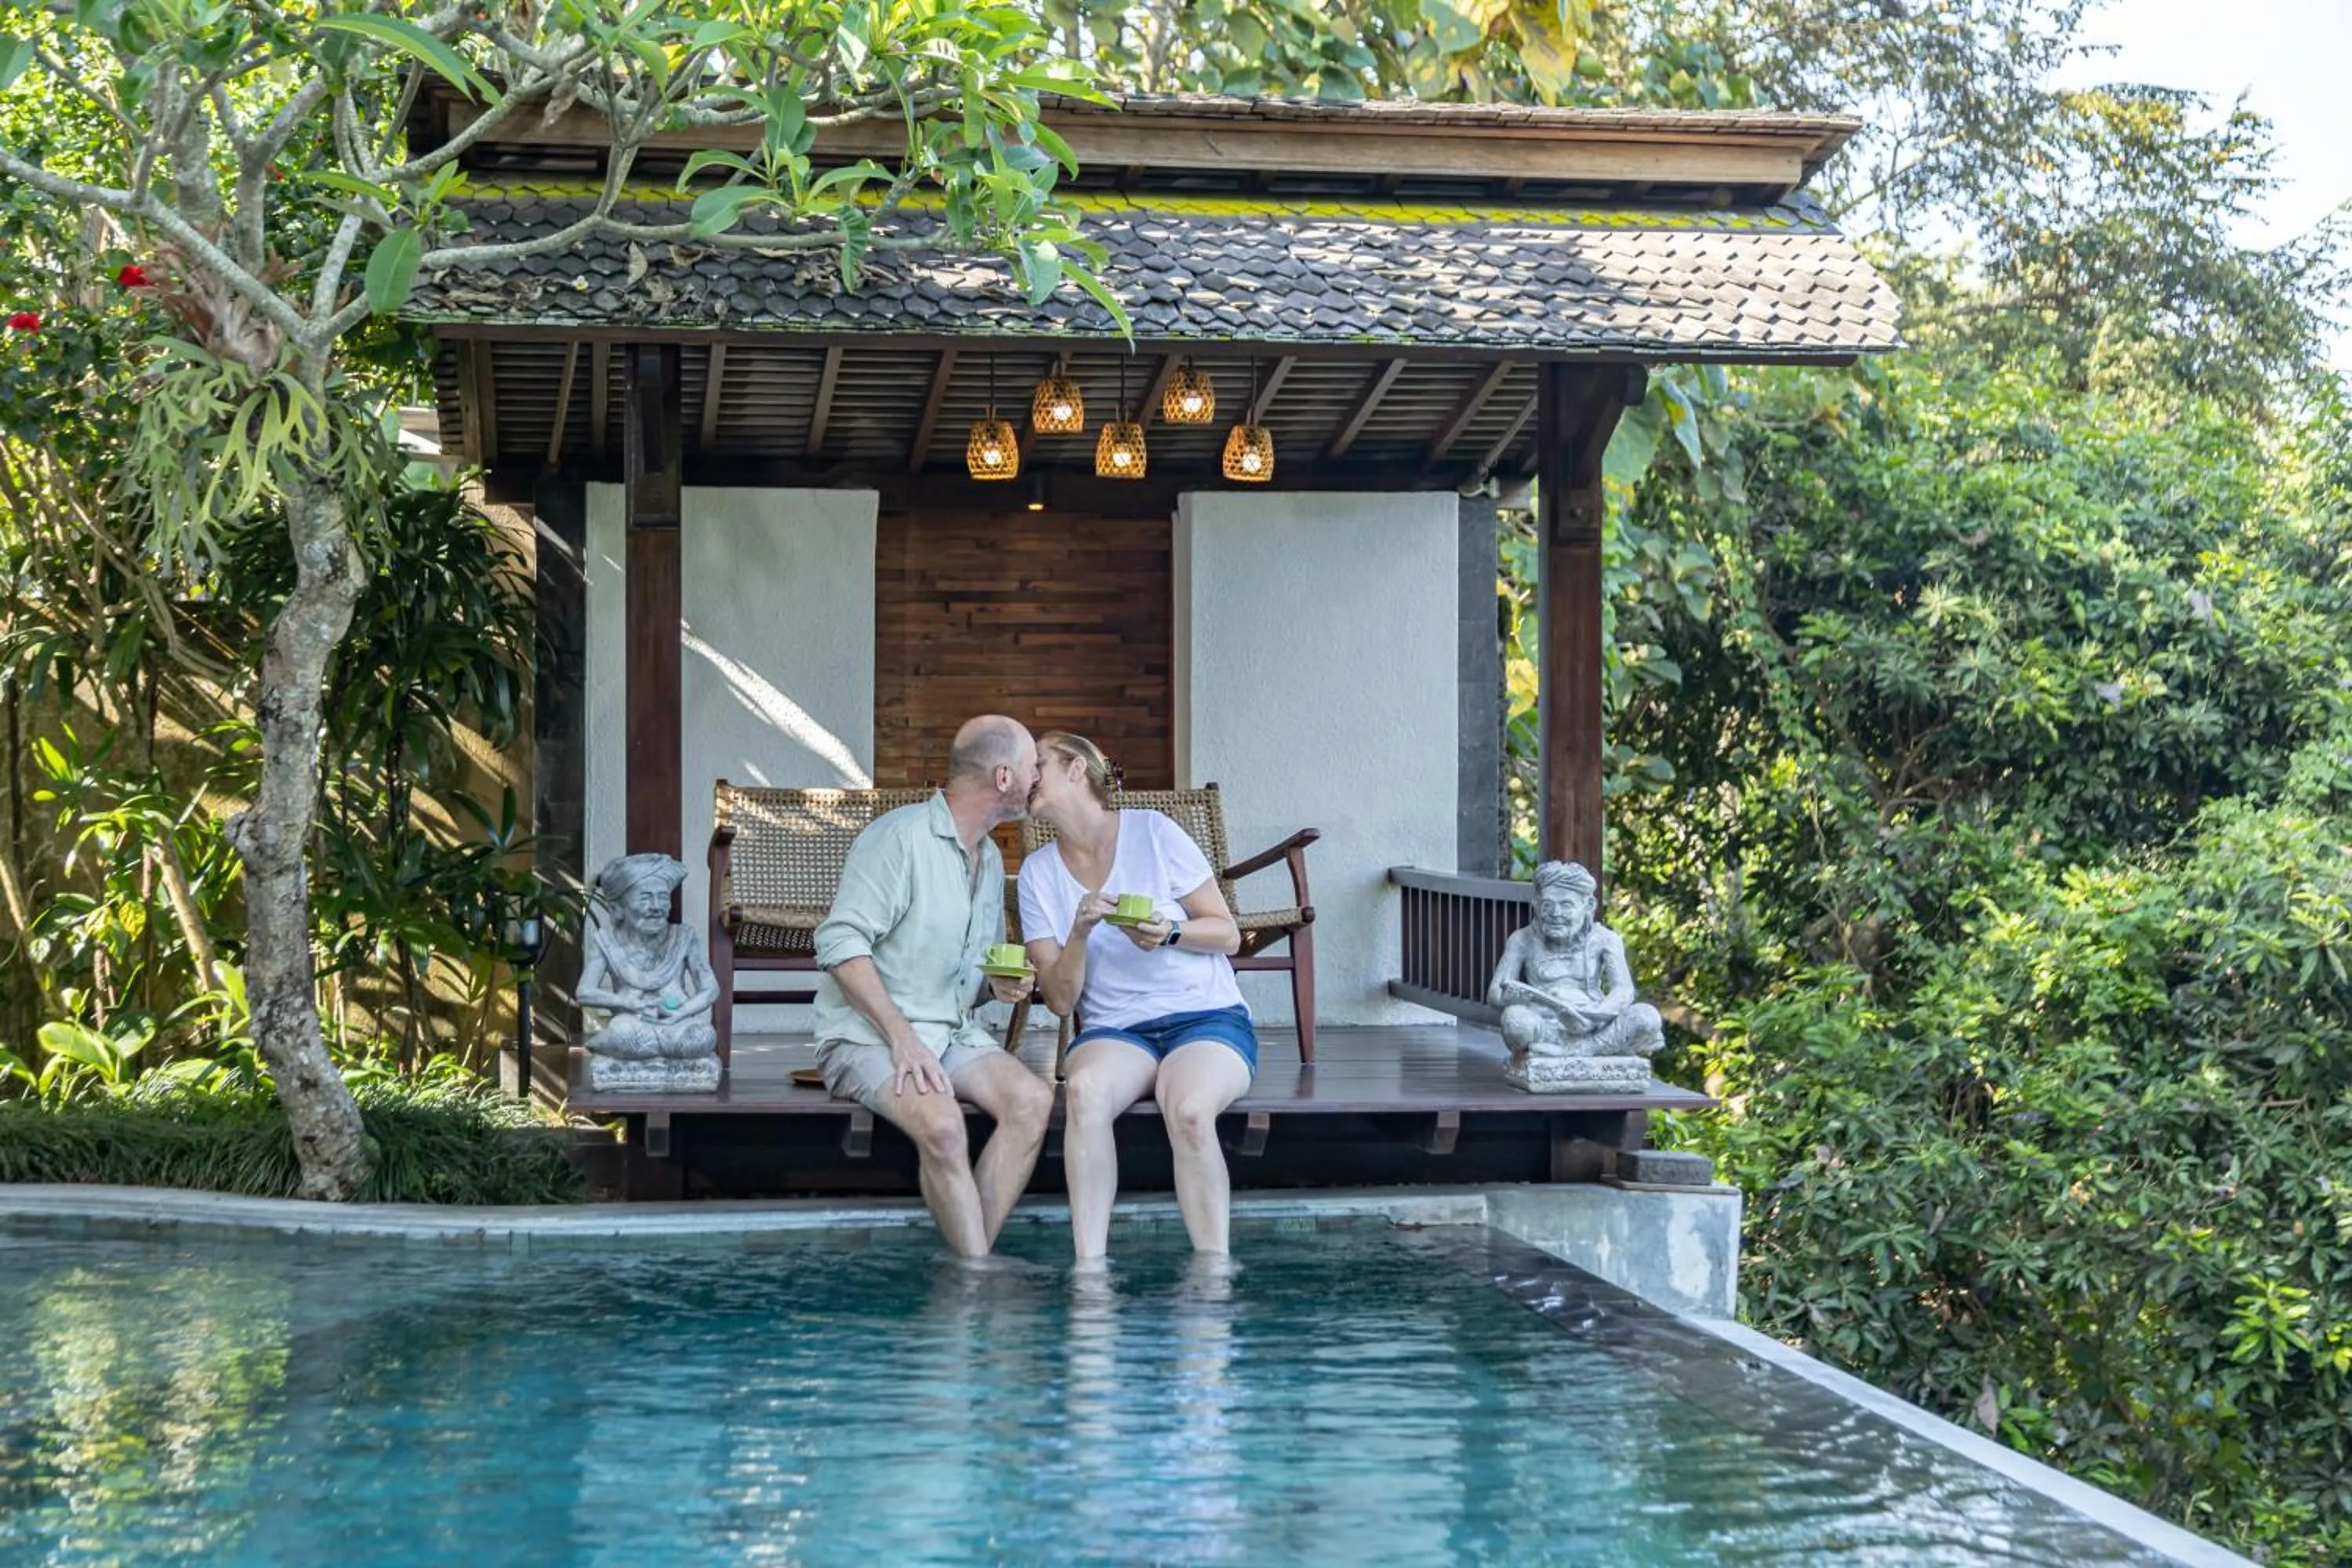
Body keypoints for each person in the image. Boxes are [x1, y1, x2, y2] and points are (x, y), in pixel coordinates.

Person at [811, 715, 1053, 1257]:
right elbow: (840, 946)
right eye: (1033, 764)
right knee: (944, 1128)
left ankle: (972, 1265)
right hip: (869, 1036)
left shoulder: (989, 858)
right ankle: (976, 1281)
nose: (1040, 775)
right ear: (1003, 776)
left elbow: (969, 974)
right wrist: (901, 1037)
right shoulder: (899, 839)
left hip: (951, 1033)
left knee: (1032, 1101)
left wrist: (996, 987)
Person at [1018, 731, 1257, 1263]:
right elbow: (1059, 1000)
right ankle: (1090, 1273)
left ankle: (1213, 1277)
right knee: (1084, 1094)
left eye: (1037, 764)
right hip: (1116, 1030)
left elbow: (1227, 934)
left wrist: (1169, 931)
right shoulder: (1036, 875)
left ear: (1076, 769)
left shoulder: (1154, 832)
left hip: (1205, 1018)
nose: (1025, 776)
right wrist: (1078, 931)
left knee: (1191, 1109)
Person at [1485, 860, 1664, 1065]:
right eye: (1548, 905)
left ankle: (1581, 1050)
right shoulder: (1523, 939)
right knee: (1514, 1020)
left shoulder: (1605, 939)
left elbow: (1623, 990)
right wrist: (1515, 998)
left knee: (1647, 1017)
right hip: (1546, 1025)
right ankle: (1582, 1052)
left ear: (1588, 906)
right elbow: (1495, 994)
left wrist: (1596, 1014)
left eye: (1566, 905)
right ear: (1536, 904)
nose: (1555, 914)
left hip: (1596, 1027)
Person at [575, 852, 720, 1060]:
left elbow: (710, 988)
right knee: (626, 1036)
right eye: (645, 898)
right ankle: (646, 1052)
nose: (656, 907)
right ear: (618, 909)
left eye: (662, 897)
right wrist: (626, 1003)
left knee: (703, 1036)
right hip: (632, 1022)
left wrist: (681, 1012)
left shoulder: (684, 937)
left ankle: (635, 1053)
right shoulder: (606, 941)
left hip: (678, 1022)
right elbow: (584, 992)